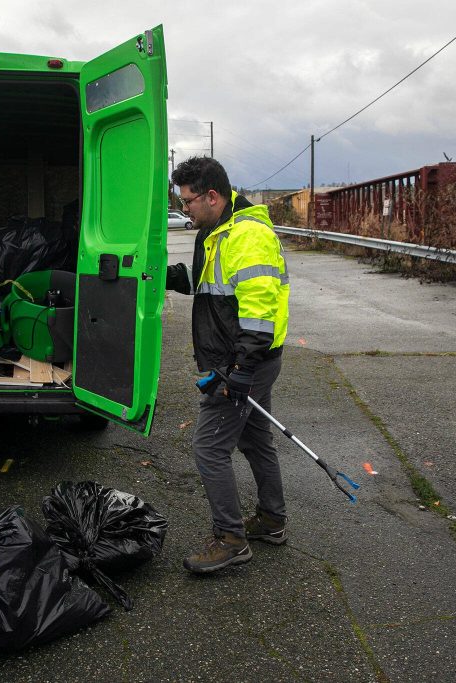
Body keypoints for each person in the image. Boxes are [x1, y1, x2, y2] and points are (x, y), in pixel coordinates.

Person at [165, 157, 291, 574]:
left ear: (213, 196)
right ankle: (271, 521)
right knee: (255, 441)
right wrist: (168, 277)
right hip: (244, 359)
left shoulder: (247, 236)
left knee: (208, 447)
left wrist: (239, 369)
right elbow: (209, 284)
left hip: (240, 362)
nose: (186, 210)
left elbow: (259, 310)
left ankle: (231, 539)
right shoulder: (218, 231)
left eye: (188, 203)